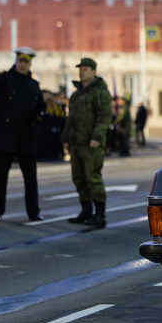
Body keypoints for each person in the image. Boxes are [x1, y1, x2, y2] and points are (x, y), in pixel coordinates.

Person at [0, 47, 46, 222]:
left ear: (30, 64)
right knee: (0, 176)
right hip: (7, 135)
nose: (22, 64)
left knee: (30, 178)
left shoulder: (33, 85)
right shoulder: (6, 79)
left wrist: (41, 114)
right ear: (16, 61)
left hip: (26, 136)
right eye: (20, 60)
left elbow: (41, 106)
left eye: (26, 62)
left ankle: (33, 211)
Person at [62, 57, 112, 228]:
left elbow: (104, 117)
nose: (82, 72)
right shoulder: (76, 94)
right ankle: (86, 211)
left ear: (94, 72)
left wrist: (97, 138)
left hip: (91, 144)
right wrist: (66, 139)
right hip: (76, 143)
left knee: (93, 178)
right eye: (80, 69)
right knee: (79, 179)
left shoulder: (99, 92)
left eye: (85, 69)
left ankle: (100, 214)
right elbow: (71, 119)